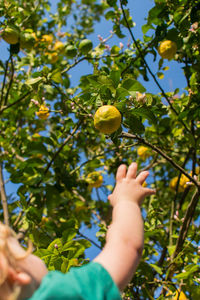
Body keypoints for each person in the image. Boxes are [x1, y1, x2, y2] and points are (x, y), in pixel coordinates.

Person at [0, 162, 155, 300]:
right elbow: (127, 245)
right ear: (17, 276)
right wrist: (126, 200)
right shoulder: (60, 293)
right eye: (23, 248)